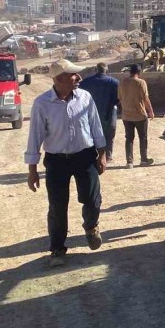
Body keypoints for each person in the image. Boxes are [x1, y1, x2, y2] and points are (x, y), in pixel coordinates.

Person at [24, 59, 108, 268]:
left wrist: (102, 153)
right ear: (60, 79)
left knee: (92, 198)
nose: (78, 77)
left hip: (85, 156)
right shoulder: (42, 103)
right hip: (56, 161)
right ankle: (58, 249)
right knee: (57, 206)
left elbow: (95, 126)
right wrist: (32, 170)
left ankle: (91, 226)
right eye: (73, 75)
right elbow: (35, 136)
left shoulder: (85, 97)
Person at [78, 62, 120, 161]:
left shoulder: (85, 82)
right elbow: (118, 98)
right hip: (109, 112)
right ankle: (108, 156)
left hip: (90, 113)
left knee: (91, 133)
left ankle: (93, 155)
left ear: (96, 70)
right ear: (107, 70)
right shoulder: (114, 82)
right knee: (109, 135)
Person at [118, 65, 155, 168]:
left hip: (126, 115)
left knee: (129, 138)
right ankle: (143, 160)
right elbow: (145, 99)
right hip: (140, 115)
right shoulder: (141, 82)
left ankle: (129, 162)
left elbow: (120, 99)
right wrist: (151, 111)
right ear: (139, 72)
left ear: (130, 72)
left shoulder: (122, 83)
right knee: (143, 137)